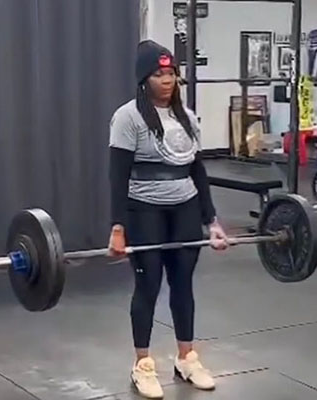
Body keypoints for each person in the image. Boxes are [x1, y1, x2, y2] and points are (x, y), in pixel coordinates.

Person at [107, 40, 229, 399]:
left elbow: (198, 171)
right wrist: (118, 226)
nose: (167, 80)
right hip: (143, 210)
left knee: (183, 284)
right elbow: (118, 176)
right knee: (147, 286)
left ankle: (187, 357)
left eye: (171, 73)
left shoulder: (187, 117)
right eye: (158, 74)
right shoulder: (127, 117)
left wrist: (213, 222)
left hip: (185, 208)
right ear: (144, 79)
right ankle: (143, 364)